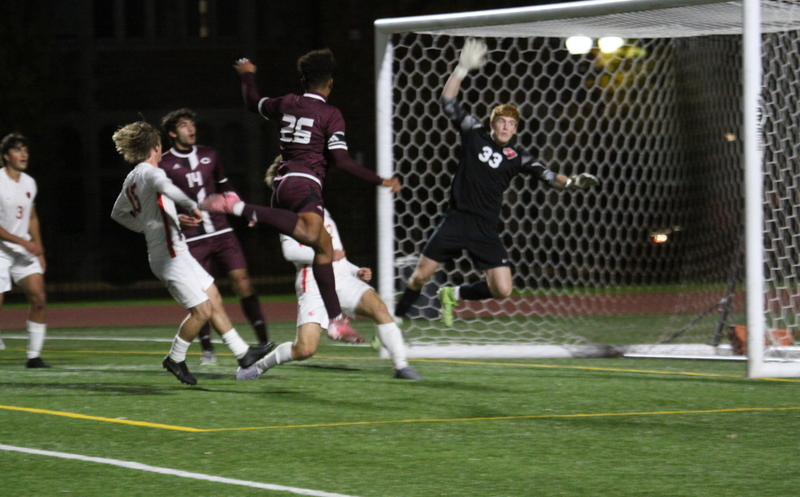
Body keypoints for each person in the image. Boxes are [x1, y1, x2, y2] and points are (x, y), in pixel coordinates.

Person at [394, 39, 599, 325]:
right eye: (502, 121)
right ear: (493, 123)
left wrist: (572, 182)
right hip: (456, 220)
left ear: (516, 129)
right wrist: (462, 68)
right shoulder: (475, 133)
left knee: (503, 289)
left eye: (511, 124)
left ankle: (452, 293)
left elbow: (550, 176)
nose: (506, 127)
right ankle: (395, 321)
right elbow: (448, 102)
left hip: (485, 227)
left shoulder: (519, 157)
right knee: (419, 276)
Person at [202, 48, 401, 344]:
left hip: (282, 185)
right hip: (304, 185)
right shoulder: (330, 114)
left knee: (323, 247)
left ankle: (335, 321)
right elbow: (342, 161)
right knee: (314, 235)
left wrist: (247, 76)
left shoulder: (286, 102)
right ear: (330, 82)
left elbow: (252, 103)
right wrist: (381, 180)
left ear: (303, 79)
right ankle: (239, 206)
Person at [110, 121, 274, 385]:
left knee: (213, 297)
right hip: (169, 257)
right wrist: (191, 206)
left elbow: (118, 213)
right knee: (202, 311)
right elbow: (168, 189)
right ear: (155, 147)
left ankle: (242, 353)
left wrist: (156, 224)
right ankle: (175, 358)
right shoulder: (151, 172)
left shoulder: (132, 177)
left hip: (178, 251)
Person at [236, 159, 421, 381]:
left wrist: (354, 271)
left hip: (341, 279)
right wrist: (328, 254)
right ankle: (258, 367)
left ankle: (402, 367)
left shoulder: (319, 208)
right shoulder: (287, 212)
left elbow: (337, 253)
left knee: (379, 308)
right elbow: (291, 252)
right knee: (304, 349)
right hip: (312, 281)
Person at [159, 108, 269, 366]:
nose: (191, 128)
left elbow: (225, 186)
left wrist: (245, 210)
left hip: (222, 231)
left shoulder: (210, 154)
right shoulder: (163, 163)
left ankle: (263, 341)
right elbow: (160, 201)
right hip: (192, 238)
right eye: (184, 125)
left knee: (243, 282)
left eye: (192, 124)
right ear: (173, 132)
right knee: (203, 296)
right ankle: (207, 349)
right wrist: (176, 218)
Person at [0, 133, 50, 368]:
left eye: (26, 150)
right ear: (5, 156)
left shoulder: (29, 182)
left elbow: (31, 217)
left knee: (38, 298)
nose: (24, 155)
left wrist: (38, 250)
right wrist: (24, 242)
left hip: (23, 249)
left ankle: (34, 356)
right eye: (18, 150)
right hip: (1, 249)